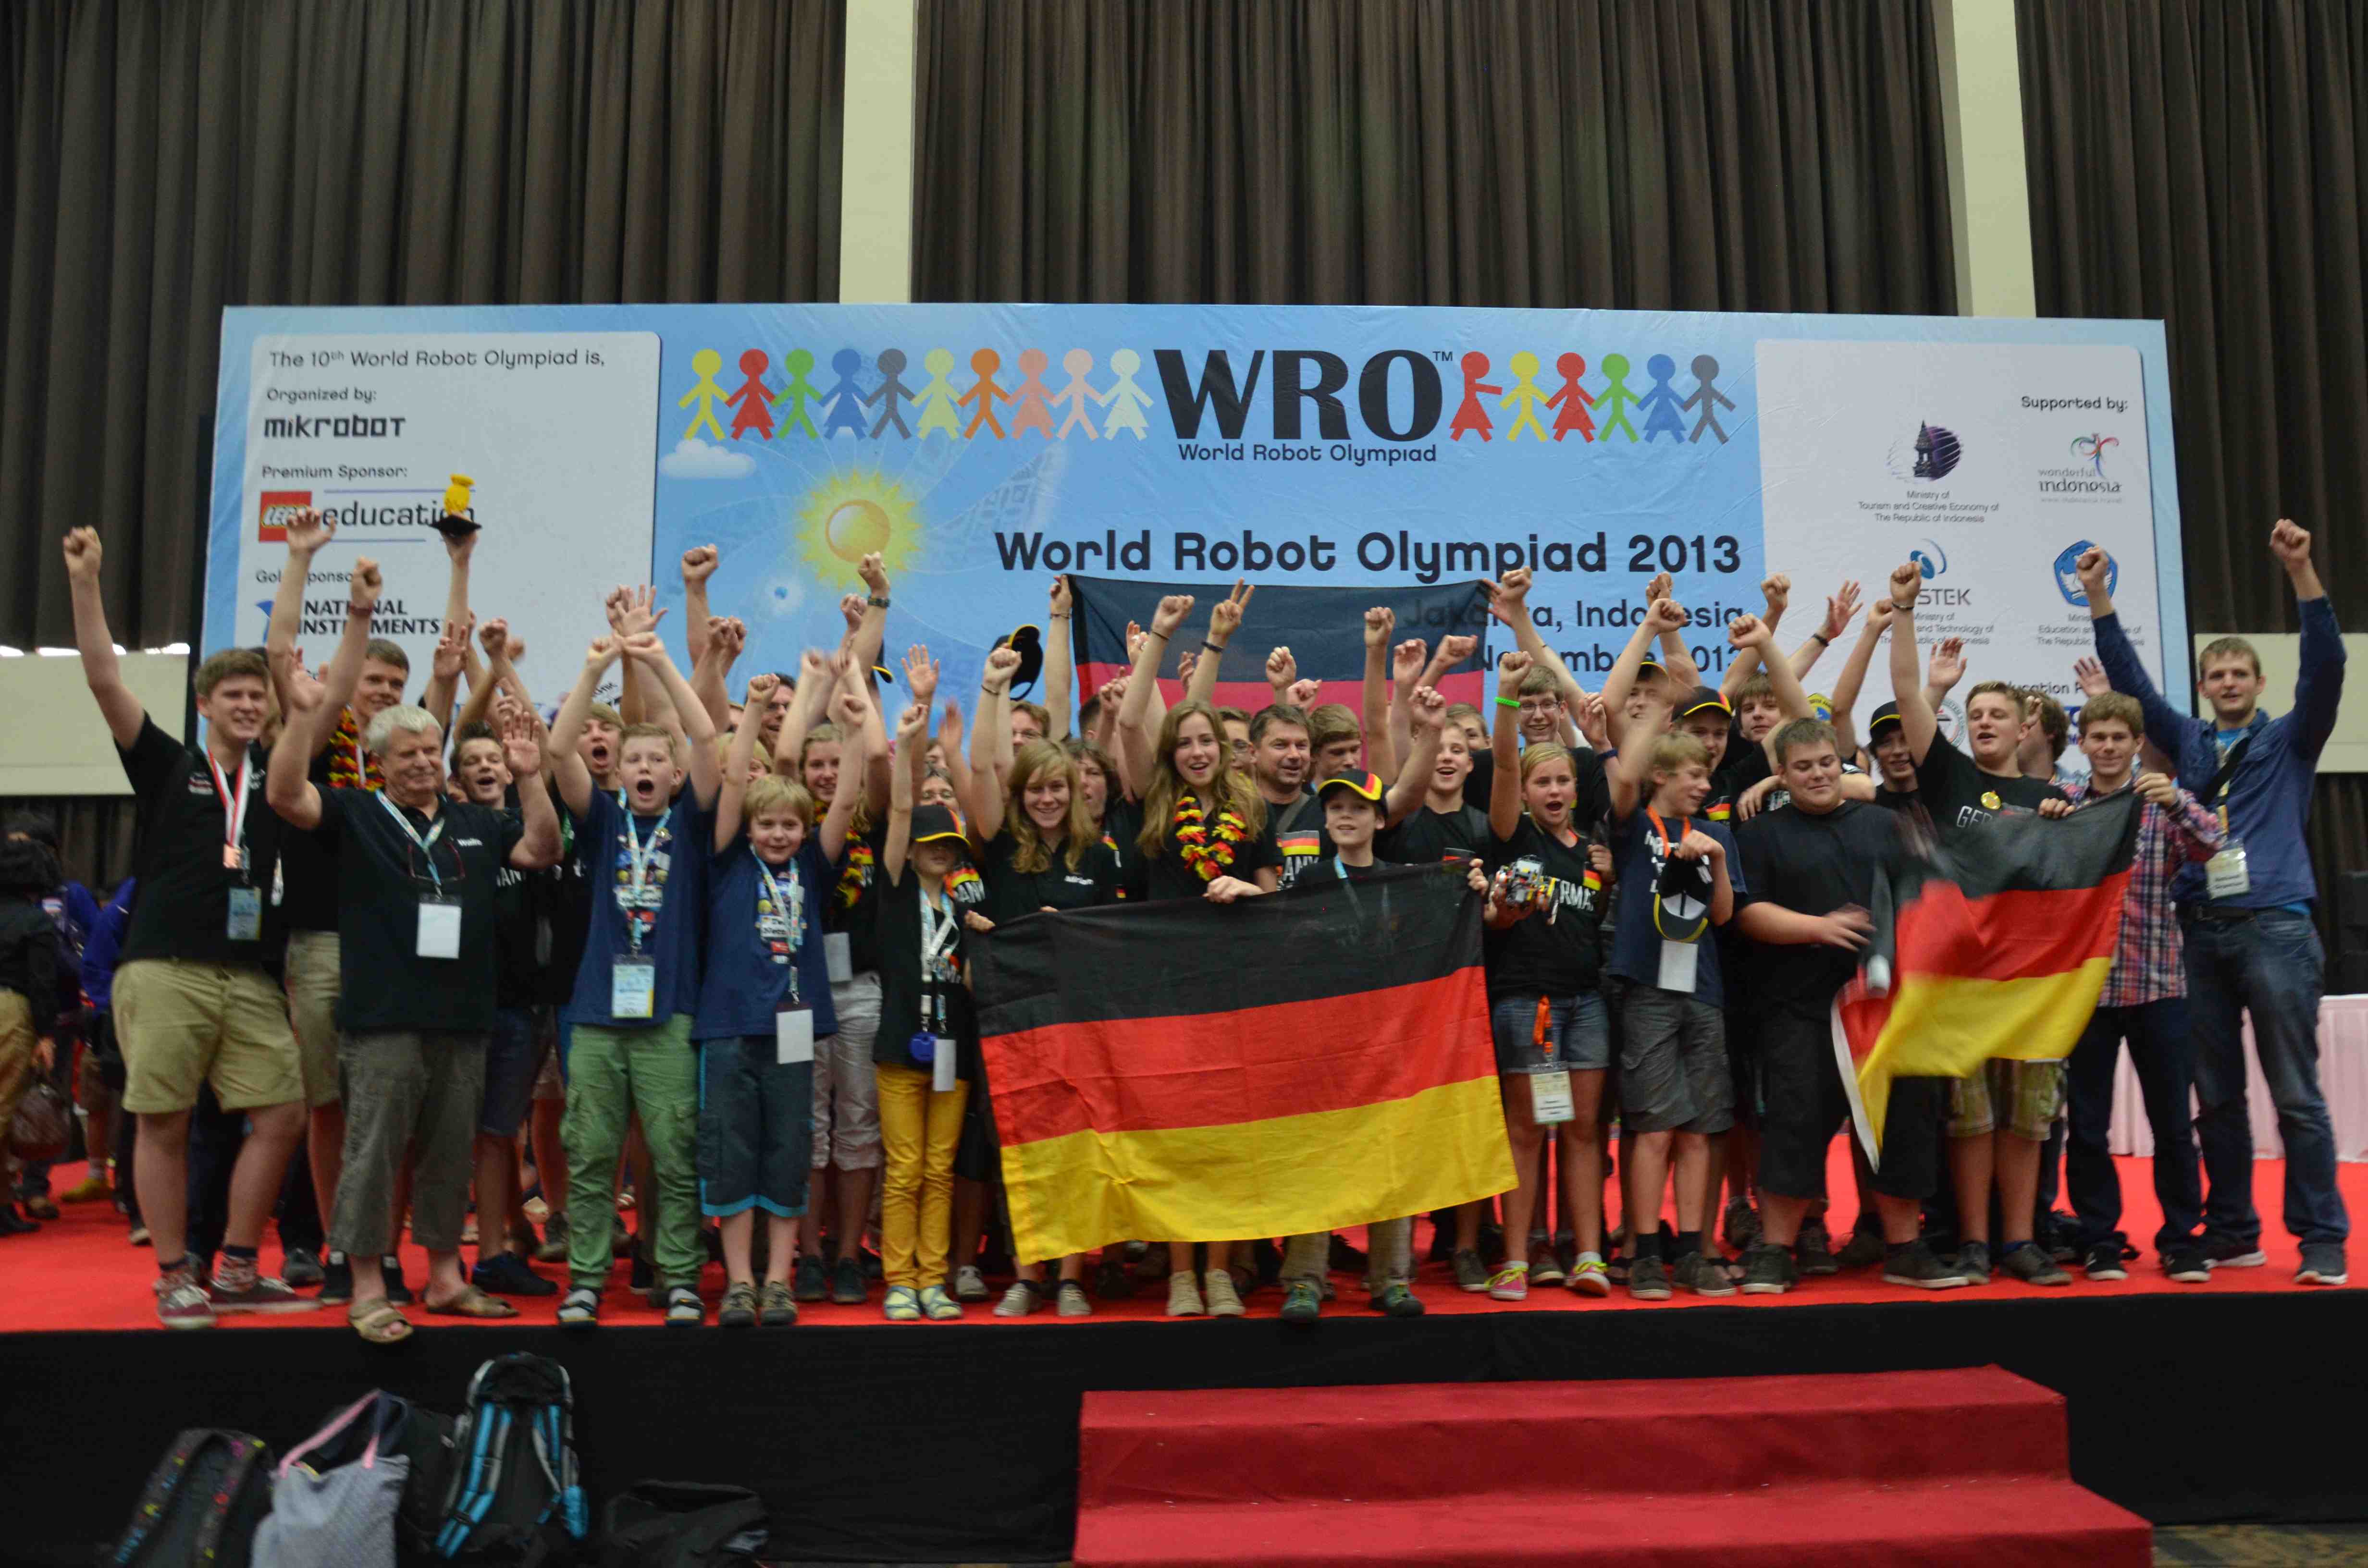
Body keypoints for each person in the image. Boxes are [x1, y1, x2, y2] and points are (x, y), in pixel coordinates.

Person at [266, 576, 561, 1340]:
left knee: (448, 1154)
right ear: (381, 760)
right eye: (409, 753)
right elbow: (286, 796)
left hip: (463, 1016)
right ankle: (368, 1285)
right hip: (384, 1018)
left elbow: (543, 847)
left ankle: (446, 1278)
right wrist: (301, 717)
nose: (426, 761)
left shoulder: (475, 820)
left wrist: (531, 776)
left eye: (433, 749)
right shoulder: (357, 812)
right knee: (372, 1152)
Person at [2078, 523, 2348, 1286]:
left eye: (2240, 674)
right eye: (2217, 674)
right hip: (2197, 934)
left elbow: (2328, 665)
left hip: (2275, 928)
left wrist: (2301, 571)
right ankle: (2233, 1229)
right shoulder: (2191, 743)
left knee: (2295, 1094)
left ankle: (2321, 1237)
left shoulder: (2293, 738)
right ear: (2204, 687)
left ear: (2260, 684)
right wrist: (2097, 596)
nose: (2228, 683)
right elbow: (2132, 686)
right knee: (2217, 1098)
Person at [66, 526, 312, 1327]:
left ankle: (237, 1266)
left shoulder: (278, 780)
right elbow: (103, 677)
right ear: (205, 704)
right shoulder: (169, 765)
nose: (248, 704)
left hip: (250, 976)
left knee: (284, 1113)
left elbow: (288, 658)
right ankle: (176, 1274)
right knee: (165, 1119)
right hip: (163, 968)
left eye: (258, 696)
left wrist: (299, 561)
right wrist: (86, 581)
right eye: (232, 695)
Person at [262, 507, 469, 1303]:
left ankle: (387, 1249)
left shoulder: (404, 756)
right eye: (369, 681)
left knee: (401, 1112)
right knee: (330, 1108)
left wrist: (458, 565)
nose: (380, 693)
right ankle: (342, 1249)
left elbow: (447, 673)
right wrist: (315, 574)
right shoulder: (318, 744)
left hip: (398, 946)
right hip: (324, 942)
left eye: (392, 684)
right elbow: (283, 656)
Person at [1730, 719, 1968, 1292]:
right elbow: (1744, 914)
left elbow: (1924, 901)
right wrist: (1817, 928)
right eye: (1803, 767)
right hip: (1797, 1008)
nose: (1817, 775)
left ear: (1841, 764)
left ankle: (1904, 1250)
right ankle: (1775, 1251)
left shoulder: (1884, 824)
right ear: (1781, 774)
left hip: (1888, 1011)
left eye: (1825, 764)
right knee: (1792, 1125)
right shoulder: (1758, 835)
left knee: (1904, 1123)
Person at [1885, 561, 2070, 1284]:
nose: (1986, 722)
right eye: (1977, 714)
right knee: (1969, 1119)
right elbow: (1906, 693)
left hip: (2028, 984)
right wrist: (1905, 612)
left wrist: (2060, 824)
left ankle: (2018, 1242)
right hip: (1960, 979)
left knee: (2026, 1119)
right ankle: (1970, 1241)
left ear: (2026, 728)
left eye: (1999, 714)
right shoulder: (1949, 776)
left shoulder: (2051, 799)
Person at [547, 626, 724, 1328]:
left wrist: (657, 661)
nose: (645, 768)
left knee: (676, 1155)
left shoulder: (692, 825)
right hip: (595, 1014)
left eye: (657, 760)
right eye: (633, 759)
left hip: (670, 1014)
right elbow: (559, 750)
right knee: (590, 1154)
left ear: (675, 776)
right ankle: (587, 1279)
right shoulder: (600, 821)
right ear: (617, 772)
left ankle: (678, 1275)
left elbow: (706, 737)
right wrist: (595, 669)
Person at [1116, 593, 1279, 1316]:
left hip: (1236, 989)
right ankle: (1182, 1273)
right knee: (1179, 1135)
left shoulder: (1251, 809)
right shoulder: (1154, 803)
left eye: (1206, 740)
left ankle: (1219, 1272)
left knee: (1230, 1137)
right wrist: (1165, 637)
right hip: (1169, 991)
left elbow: (1274, 898)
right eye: (1183, 743)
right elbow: (1129, 721)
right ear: (1171, 754)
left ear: (1223, 747)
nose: (1196, 752)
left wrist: (1245, 887)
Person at [1278, 761, 1481, 1325]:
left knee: (1391, 1158)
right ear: (1325, 819)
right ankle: (1304, 1280)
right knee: (1317, 1158)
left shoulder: (1402, 881)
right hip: (1324, 1043)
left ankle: (1390, 1277)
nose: (1346, 817)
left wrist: (1471, 890)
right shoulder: (1312, 881)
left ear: (1380, 820)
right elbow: (1281, 940)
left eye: (1358, 809)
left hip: (1389, 1043)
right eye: (1336, 808)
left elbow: (1442, 926)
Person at [695, 673, 861, 1328]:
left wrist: (854, 734)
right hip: (729, 1030)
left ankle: (777, 1282)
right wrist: (755, 711)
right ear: (748, 828)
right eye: (766, 824)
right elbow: (734, 781)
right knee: (731, 1153)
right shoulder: (726, 861)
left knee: (788, 1152)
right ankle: (739, 1282)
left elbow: (844, 803)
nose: (778, 834)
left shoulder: (813, 867)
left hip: (793, 1032)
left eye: (790, 825)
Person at [969, 653, 1123, 1317]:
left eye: (1057, 788)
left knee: (1076, 1148)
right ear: (1020, 794)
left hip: (1076, 1020)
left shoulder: (1100, 856)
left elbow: (1114, 941)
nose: (1047, 799)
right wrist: (992, 689)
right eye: (1035, 789)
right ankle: (1027, 1276)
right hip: (1012, 1018)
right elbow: (982, 765)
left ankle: (1069, 1277)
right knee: (1023, 1147)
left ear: (1076, 790)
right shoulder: (1002, 842)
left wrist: (1071, 931)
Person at [1603, 613, 1750, 1302]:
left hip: (1704, 990)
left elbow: (1722, 916)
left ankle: (1693, 1250)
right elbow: (1624, 776)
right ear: (1663, 776)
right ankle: (1643, 1252)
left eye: (1706, 773)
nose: (1703, 781)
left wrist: (1715, 859)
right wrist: (1657, 706)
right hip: (1646, 988)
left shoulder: (1717, 831)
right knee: (1654, 1126)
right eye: (1692, 773)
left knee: (1699, 1127)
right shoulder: (1636, 824)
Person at [2055, 693, 2219, 1284]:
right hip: (2085, 993)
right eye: (2096, 737)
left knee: (2172, 1123)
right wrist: (2043, 822)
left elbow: (2214, 846)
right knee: (2087, 1126)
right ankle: (2098, 1239)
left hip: (2157, 985)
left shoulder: (2162, 800)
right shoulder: (2062, 803)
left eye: (2117, 738)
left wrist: (2175, 802)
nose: (2106, 747)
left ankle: (2180, 1239)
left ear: (2134, 745)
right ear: (2080, 743)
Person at [1481, 659, 1612, 1301]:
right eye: (1543, 782)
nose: (1555, 790)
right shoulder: (1513, 837)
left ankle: (1587, 1255)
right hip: (1526, 1004)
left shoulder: (1592, 853)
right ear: (1527, 793)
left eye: (1563, 780)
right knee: (1527, 1132)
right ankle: (1515, 1259)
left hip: (1586, 1004)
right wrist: (1508, 698)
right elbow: (1505, 767)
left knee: (1584, 1132)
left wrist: (1606, 878)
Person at [449, 702, 562, 1299]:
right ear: (457, 778)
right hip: (467, 1005)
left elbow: (548, 847)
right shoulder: (451, 829)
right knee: (473, 1132)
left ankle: (502, 1244)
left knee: (500, 1131)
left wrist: (529, 773)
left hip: (527, 1004)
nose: (486, 767)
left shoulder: (524, 823)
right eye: (473, 761)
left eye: (494, 758)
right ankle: (474, 1252)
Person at [874, 700, 980, 1322]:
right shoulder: (894, 891)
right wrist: (909, 743)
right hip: (899, 1046)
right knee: (905, 1168)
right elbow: (897, 812)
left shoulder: (966, 908)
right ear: (911, 850)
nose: (939, 851)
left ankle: (932, 1279)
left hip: (951, 1050)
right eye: (929, 843)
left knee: (940, 1169)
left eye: (949, 844)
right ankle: (899, 1279)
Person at [0, 837, 60, 1237]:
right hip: (10, 1010)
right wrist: (46, 1034)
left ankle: (4, 1205)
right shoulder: (35, 921)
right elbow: (42, 983)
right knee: (4, 1112)